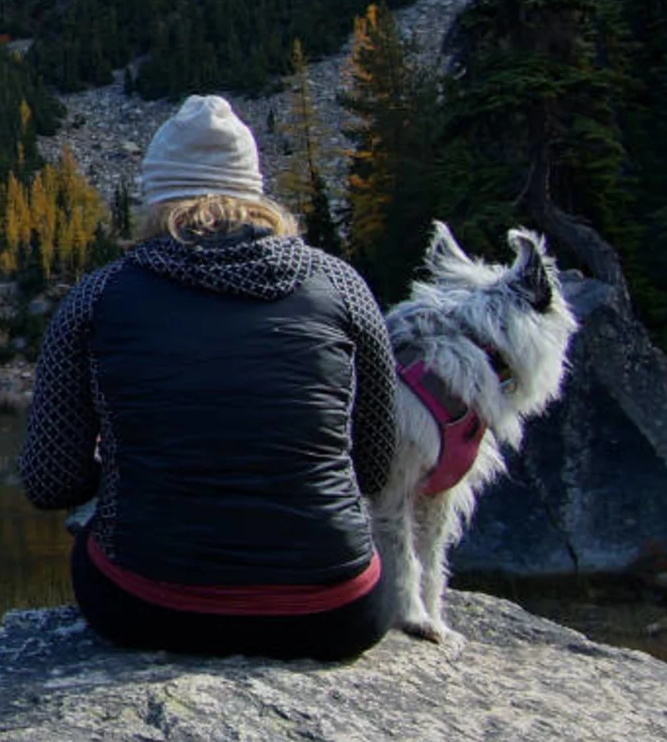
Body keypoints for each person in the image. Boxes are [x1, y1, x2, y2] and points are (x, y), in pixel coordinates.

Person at [20, 95, 400, 660]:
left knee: (97, 544)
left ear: (157, 196)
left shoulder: (96, 297)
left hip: (148, 606)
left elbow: (49, 483)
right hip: (336, 612)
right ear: (254, 191)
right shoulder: (342, 286)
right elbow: (373, 469)